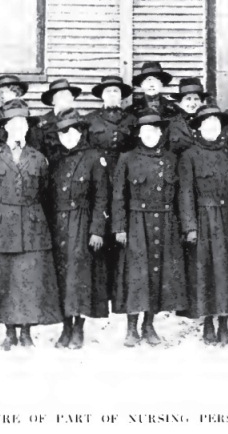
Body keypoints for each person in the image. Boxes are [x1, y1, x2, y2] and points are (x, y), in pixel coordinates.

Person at [0, 102, 62, 349]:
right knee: (4, 280)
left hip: (32, 226)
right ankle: (9, 332)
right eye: (12, 124)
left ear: (27, 129)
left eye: (22, 124)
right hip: (0, 227)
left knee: (29, 281)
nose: (17, 129)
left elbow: (45, 194)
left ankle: (26, 332)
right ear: (5, 128)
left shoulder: (38, 158)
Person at [111, 110, 187, 346]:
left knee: (157, 275)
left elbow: (180, 196)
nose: (150, 135)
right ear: (139, 134)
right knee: (136, 276)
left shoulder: (171, 159)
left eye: (154, 131)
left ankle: (149, 325)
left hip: (165, 223)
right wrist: (119, 227)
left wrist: (182, 226)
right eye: (145, 131)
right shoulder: (127, 158)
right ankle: (131, 328)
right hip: (136, 223)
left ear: (160, 133)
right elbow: (118, 196)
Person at [178, 105, 228, 345]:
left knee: (225, 273)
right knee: (204, 272)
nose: (212, 128)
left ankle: (224, 324)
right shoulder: (189, 156)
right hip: (204, 219)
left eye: (216, 124)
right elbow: (185, 192)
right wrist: (190, 226)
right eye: (207, 124)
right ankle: (207, 322)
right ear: (199, 128)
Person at [47, 110, 110, 349]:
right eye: (63, 133)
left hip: (83, 224)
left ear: (80, 133)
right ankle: (65, 327)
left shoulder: (94, 158)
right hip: (58, 224)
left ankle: (78, 328)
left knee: (80, 276)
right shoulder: (55, 159)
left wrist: (97, 230)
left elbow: (101, 196)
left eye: (72, 132)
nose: (68, 137)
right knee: (62, 276)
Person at [86, 75, 138, 317]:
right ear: (101, 96)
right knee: (99, 237)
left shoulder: (132, 120)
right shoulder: (90, 121)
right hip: (99, 182)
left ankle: (121, 294)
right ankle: (100, 295)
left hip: (126, 185)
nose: (112, 96)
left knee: (122, 237)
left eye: (116, 92)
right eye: (108, 92)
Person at [34, 78, 83, 156]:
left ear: (72, 98)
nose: (64, 98)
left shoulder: (81, 120)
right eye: (60, 95)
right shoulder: (43, 122)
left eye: (67, 94)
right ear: (52, 101)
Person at [167, 77, 210, 156]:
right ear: (180, 102)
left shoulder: (209, 122)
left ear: (201, 102)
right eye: (188, 99)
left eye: (196, 99)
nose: (192, 103)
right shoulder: (169, 123)